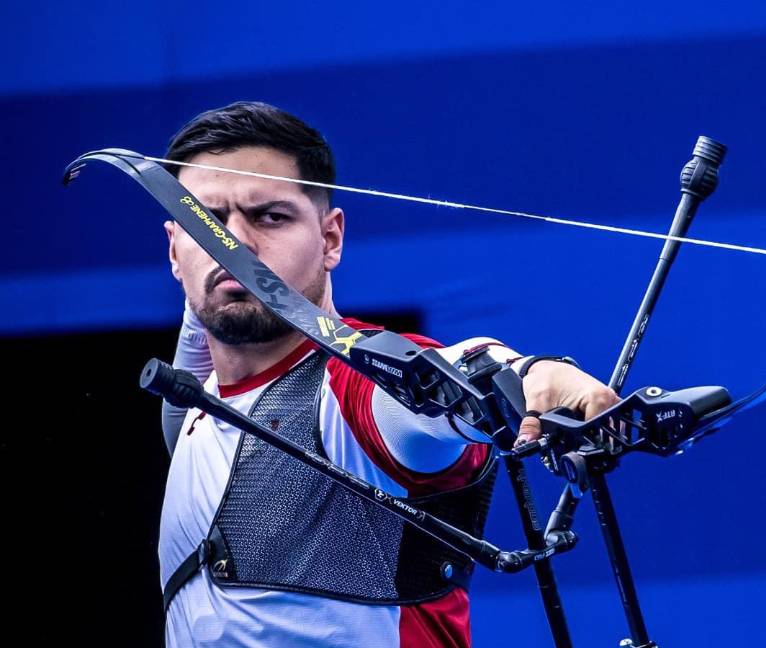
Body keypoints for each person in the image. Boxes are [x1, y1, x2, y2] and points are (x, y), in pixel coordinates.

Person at [158, 101, 618, 647]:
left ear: (330, 240)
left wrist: (531, 377)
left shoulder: (351, 389)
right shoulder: (195, 401)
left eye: (269, 217)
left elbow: (440, 379)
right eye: (205, 223)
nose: (233, 246)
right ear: (174, 247)